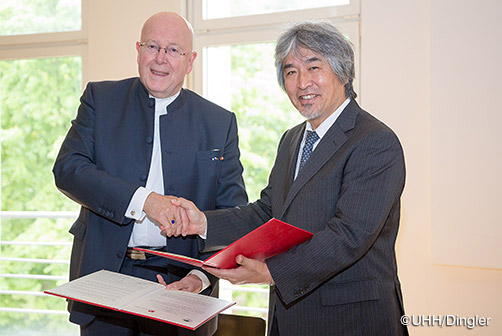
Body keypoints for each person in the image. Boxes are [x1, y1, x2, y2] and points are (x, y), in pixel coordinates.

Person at [164, 21, 408, 335]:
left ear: (344, 73)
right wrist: (204, 223)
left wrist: (270, 272)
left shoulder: (374, 141)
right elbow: (267, 213)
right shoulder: (292, 139)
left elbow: (349, 236)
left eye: (314, 67)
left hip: (351, 320)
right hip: (288, 317)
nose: (302, 83)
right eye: (290, 71)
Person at [52, 12, 247, 336]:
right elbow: (69, 168)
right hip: (104, 278)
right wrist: (144, 201)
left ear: (190, 61)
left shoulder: (218, 122)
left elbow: (231, 213)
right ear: (138, 50)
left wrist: (203, 278)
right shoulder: (100, 100)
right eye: (152, 46)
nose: (160, 58)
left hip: (181, 283)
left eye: (173, 50)